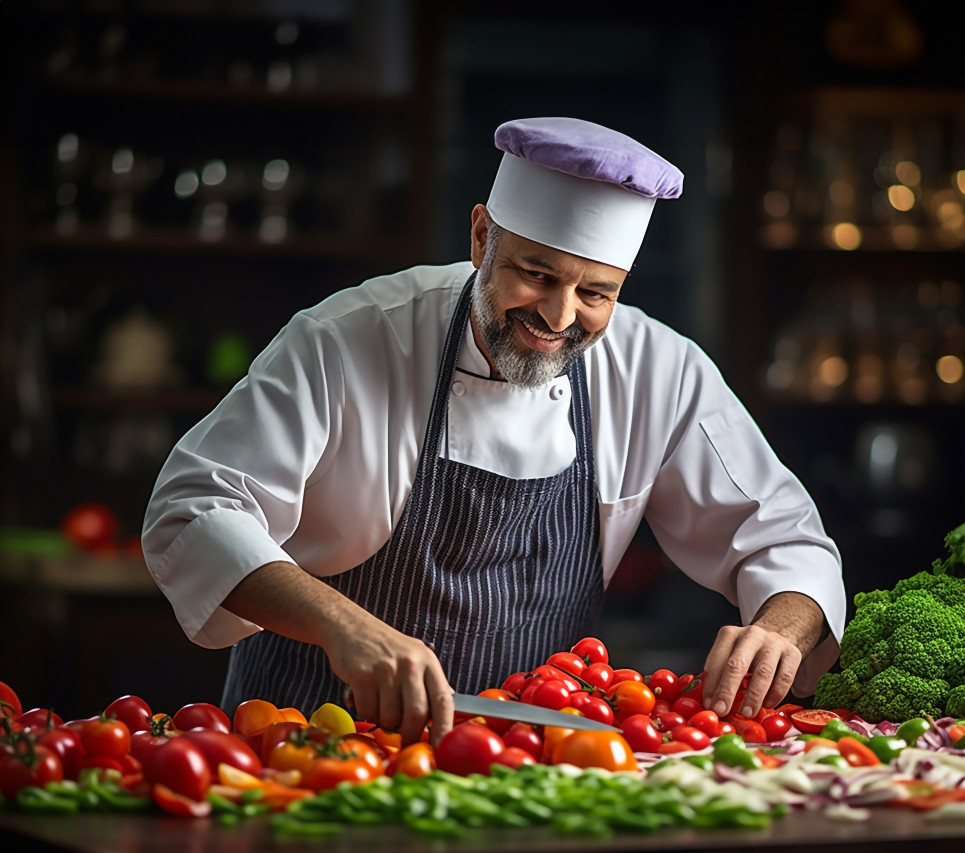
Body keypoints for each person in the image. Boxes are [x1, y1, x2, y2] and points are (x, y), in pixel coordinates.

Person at [142, 117, 845, 746]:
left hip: (526, 754)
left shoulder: (662, 369)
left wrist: (778, 630)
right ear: (481, 235)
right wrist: (342, 624)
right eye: (537, 274)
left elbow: (784, 538)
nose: (560, 316)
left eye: (596, 293)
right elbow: (194, 508)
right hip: (312, 740)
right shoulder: (348, 338)